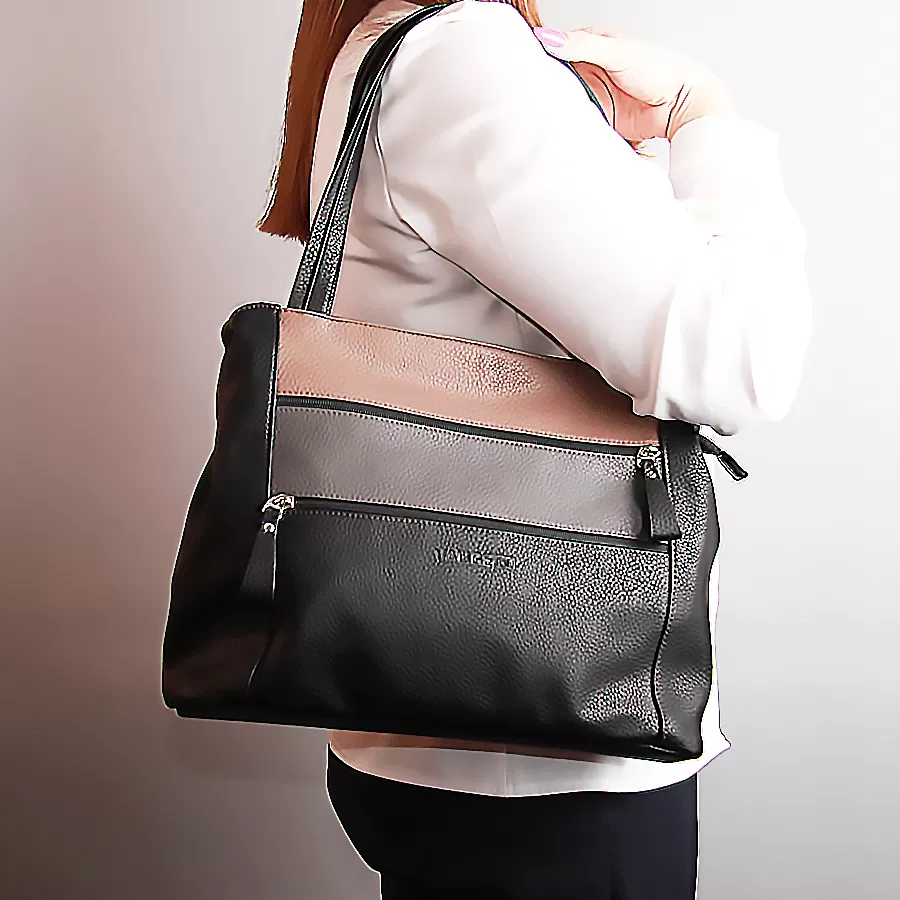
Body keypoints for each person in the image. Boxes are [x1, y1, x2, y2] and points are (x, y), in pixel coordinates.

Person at [256, 0, 812, 897]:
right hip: (547, 760)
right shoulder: (460, 56)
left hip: (474, 745)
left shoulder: (400, 42)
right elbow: (740, 361)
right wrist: (705, 117)